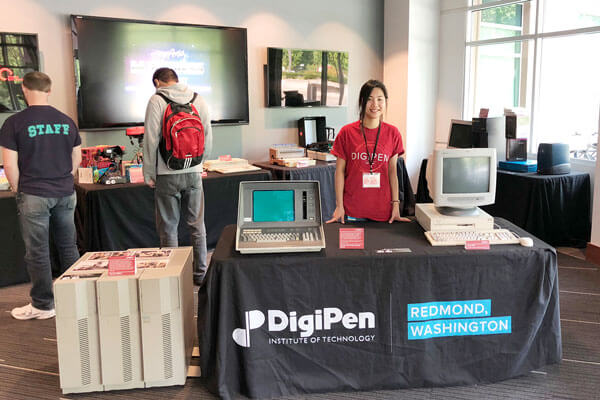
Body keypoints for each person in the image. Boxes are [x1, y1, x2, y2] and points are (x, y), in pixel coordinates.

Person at [0, 71, 81, 320]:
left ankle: (43, 305)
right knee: (68, 247)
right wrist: (64, 178)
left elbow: (10, 165)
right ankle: (76, 300)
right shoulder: (66, 121)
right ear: (49, 90)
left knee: (37, 251)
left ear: (24, 89)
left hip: (34, 192)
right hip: (66, 191)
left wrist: (18, 188)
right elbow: (76, 157)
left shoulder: (14, 123)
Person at [143, 67, 212, 286]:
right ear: (177, 80)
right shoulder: (197, 98)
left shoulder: (156, 100)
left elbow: (151, 140)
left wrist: (148, 172)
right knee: (197, 225)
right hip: (193, 172)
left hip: (167, 173)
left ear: (157, 82)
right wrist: (199, 164)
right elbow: (208, 134)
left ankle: (172, 278)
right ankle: (200, 273)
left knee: (168, 226)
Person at [326, 79, 410, 224]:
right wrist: (339, 206)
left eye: (380, 99)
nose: (375, 105)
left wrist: (396, 206)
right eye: (370, 100)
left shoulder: (393, 133)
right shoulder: (347, 133)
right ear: (362, 102)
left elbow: (392, 172)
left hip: (383, 212)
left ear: (385, 102)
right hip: (352, 211)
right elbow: (339, 171)